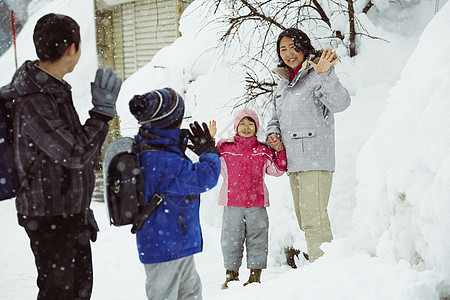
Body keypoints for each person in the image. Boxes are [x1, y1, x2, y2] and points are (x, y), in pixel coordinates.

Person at [0, 13, 122, 299]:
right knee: (60, 294)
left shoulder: (51, 89)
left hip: (66, 214)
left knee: (78, 291)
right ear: (72, 49)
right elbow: (75, 152)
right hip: (49, 217)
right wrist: (102, 114)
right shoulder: (34, 98)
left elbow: (66, 155)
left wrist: (80, 211)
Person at [267, 28, 351, 263]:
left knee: (315, 219)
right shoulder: (283, 84)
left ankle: (324, 270)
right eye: (283, 49)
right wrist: (273, 135)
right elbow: (274, 118)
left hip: (315, 158)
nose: (288, 53)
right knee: (305, 220)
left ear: (304, 47)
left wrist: (325, 75)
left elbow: (340, 103)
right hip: (294, 161)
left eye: (293, 47)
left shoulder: (318, 74)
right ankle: (323, 266)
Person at [128, 88, 221, 300]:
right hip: (165, 244)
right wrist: (208, 152)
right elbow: (205, 178)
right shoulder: (160, 160)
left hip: (173, 240)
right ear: (172, 122)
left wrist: (184, 142)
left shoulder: (154, 147)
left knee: (190, 294)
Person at [208, 108, 287, 288]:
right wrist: (209, 140)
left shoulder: (263, 150)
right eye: (242, 123)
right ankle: (231, 274)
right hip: (232, 202)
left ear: (256, 127)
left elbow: (278, 170)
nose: (246, 127)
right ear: (236, 126)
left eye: (250, 123)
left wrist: (280, 150)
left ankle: (254, 275)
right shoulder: (225, 148)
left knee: (258, 238)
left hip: (257, 204)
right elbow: (210, 162)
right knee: (230, 240)